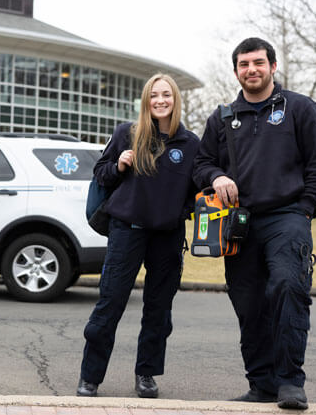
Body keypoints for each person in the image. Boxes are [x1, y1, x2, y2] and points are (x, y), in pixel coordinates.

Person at [192, 37, 316, 410]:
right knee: (248, 301)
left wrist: (305, 208)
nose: (251, 70)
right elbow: (201, 164)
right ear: (236, 70)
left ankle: (290, 382)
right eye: (243, 64)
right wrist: (215, 177)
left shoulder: (301, 109)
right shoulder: (223, 117)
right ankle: (262, 384)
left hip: (288, 217)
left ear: (272, 66)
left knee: (289, 288)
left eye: (258, 62)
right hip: (238, 224)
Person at [77, 73, 199, 398]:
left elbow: (197, 187)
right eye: (154, 95)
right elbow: (101, 174)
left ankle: (146, 374)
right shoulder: (127, 134)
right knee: (110, 303)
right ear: (146, 100)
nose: (160, 100)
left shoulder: (190, 144)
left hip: (167, 237)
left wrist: (180, 211)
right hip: (126, 232)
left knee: (158, 310)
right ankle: (90, 377)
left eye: (167, 95)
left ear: (175, 100)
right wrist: (118, 164)